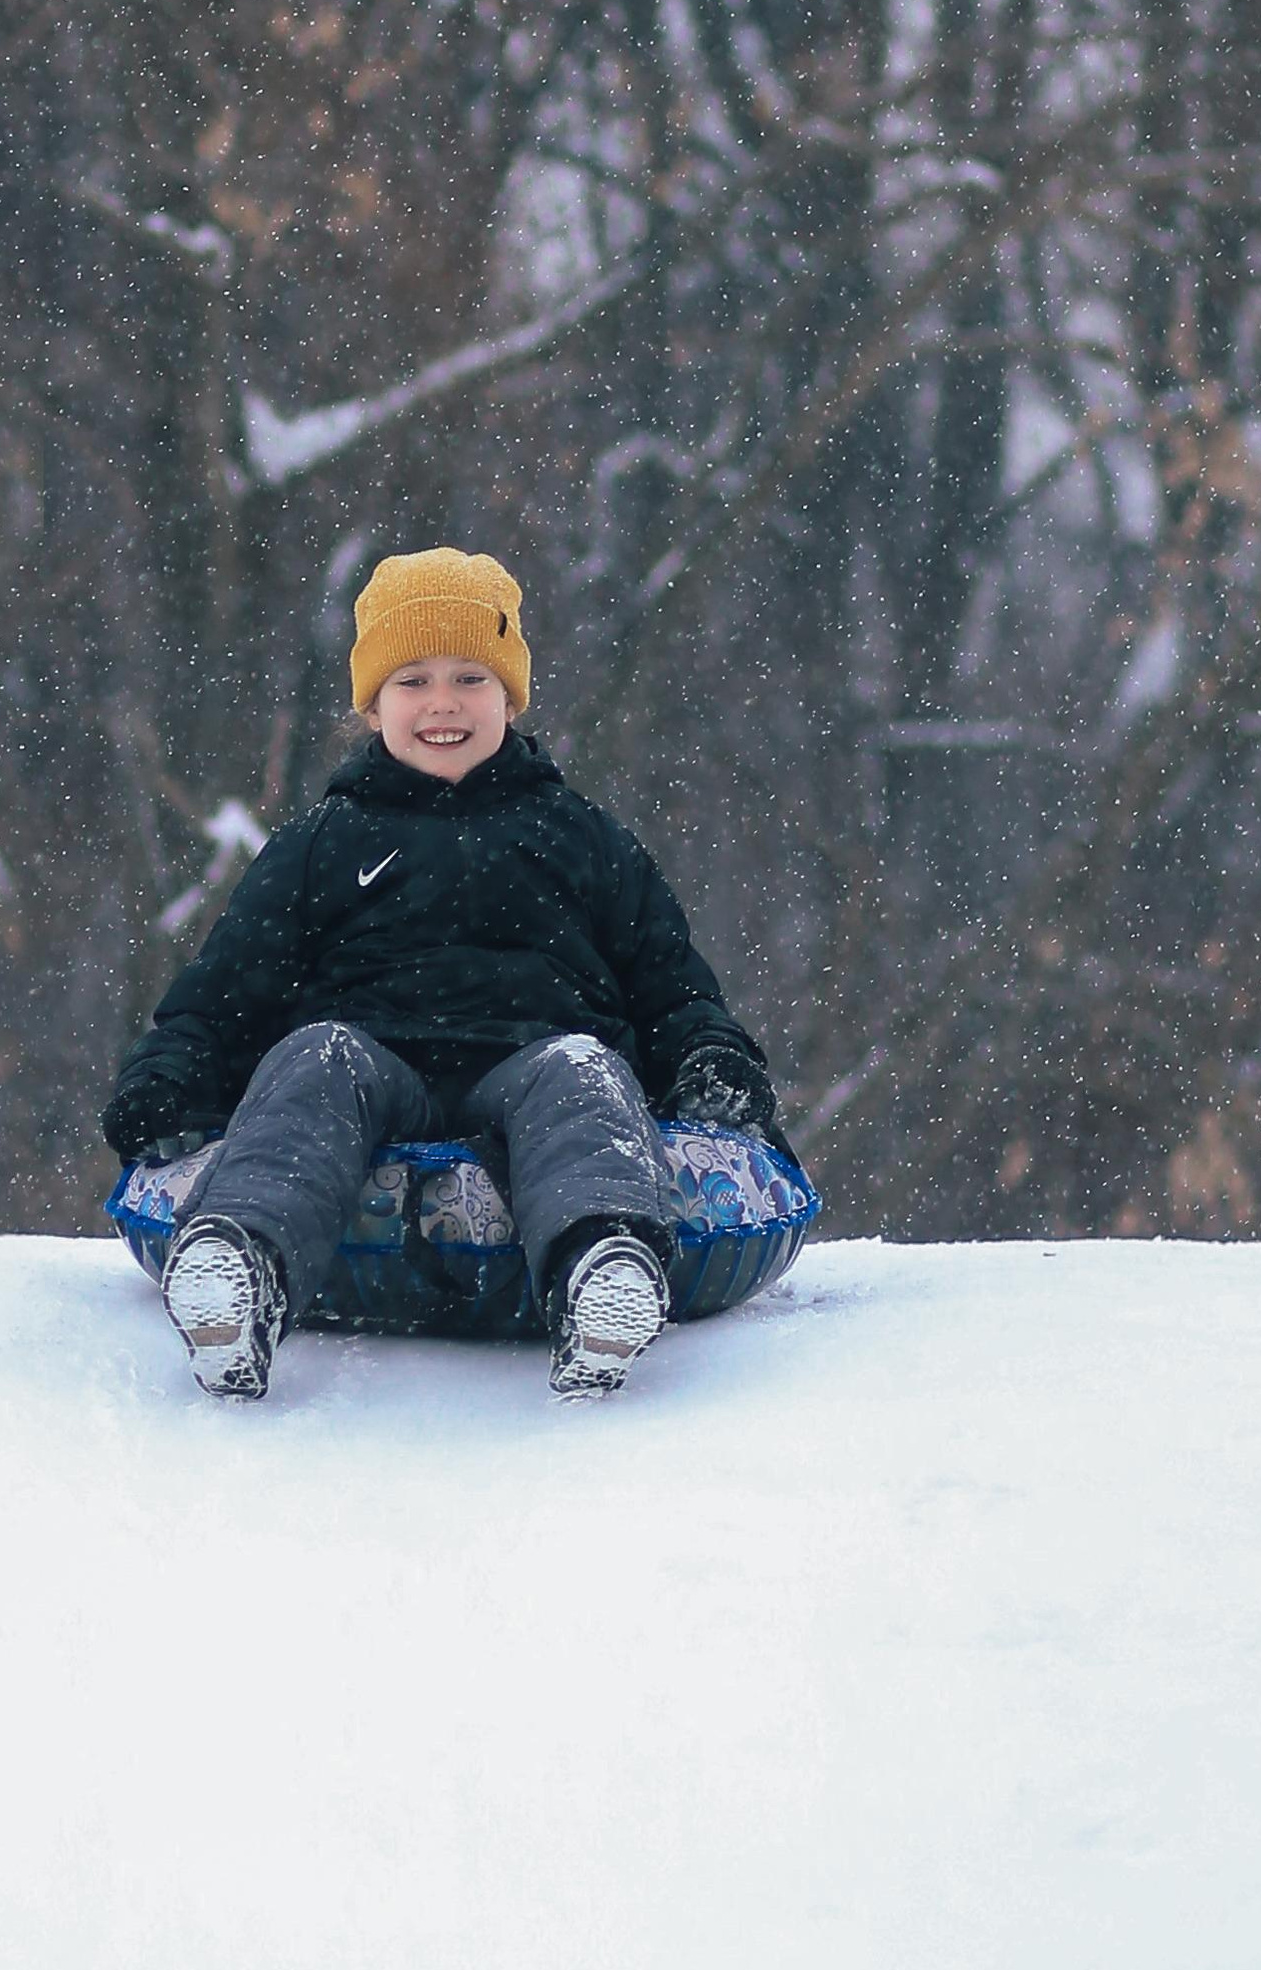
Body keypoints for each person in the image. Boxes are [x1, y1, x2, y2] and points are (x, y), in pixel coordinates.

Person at [103, 545, 779, 1405]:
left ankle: (601, 1269)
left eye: (470, 678)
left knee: (585, 1071)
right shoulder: (322, 842)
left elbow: (672, 985)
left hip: (534, 1061)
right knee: (313, 1057)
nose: (443, 703)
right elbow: (227, 989)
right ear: (372, 704)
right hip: (373, 1067)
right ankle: (242, 1268)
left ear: (511, 696)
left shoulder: (583, 838)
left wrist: (712, 1061)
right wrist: (169, 1080)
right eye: (412, 680)